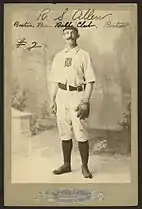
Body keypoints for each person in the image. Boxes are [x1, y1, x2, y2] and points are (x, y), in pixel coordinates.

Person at [50, 26, 96, 178]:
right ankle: (66, 164)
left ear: (77, 35)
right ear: (63, 36)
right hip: (61, 95)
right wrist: (52, 100)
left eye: (72, 33)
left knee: (80, 132)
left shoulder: (83, 55)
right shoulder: (58, 56)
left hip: (78, 94)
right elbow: (54, 81)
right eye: (66, 33)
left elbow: (90, 81)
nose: (69, 35)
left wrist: (85, 102)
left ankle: (84, 166)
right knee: (64, 132)